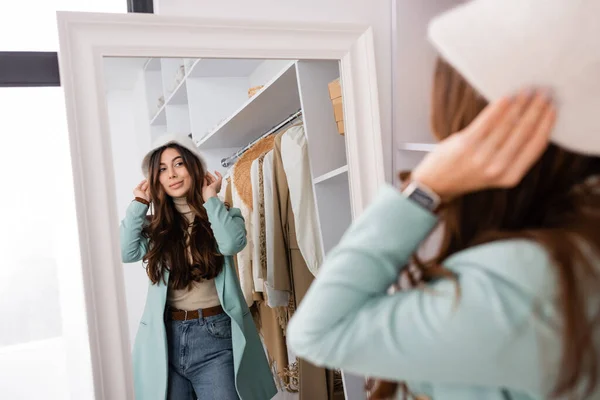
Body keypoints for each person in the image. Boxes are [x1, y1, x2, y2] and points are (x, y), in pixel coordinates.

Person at [287, 0, 600, 399]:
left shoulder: (524, 283)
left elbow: (318, 332)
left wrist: (426, 186)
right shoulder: (573, 246)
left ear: (488, 124)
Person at [120, 134, 277, 400]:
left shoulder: (222, 215)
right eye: (162, 169)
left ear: (193, 167)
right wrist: (139, 203)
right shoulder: (156, 227)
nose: (172, 174)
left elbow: (230, 244)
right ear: (155, 179)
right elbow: (127, 252)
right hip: (165, 339)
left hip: (215, 337)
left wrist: (210, 198)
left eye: (179, 164)